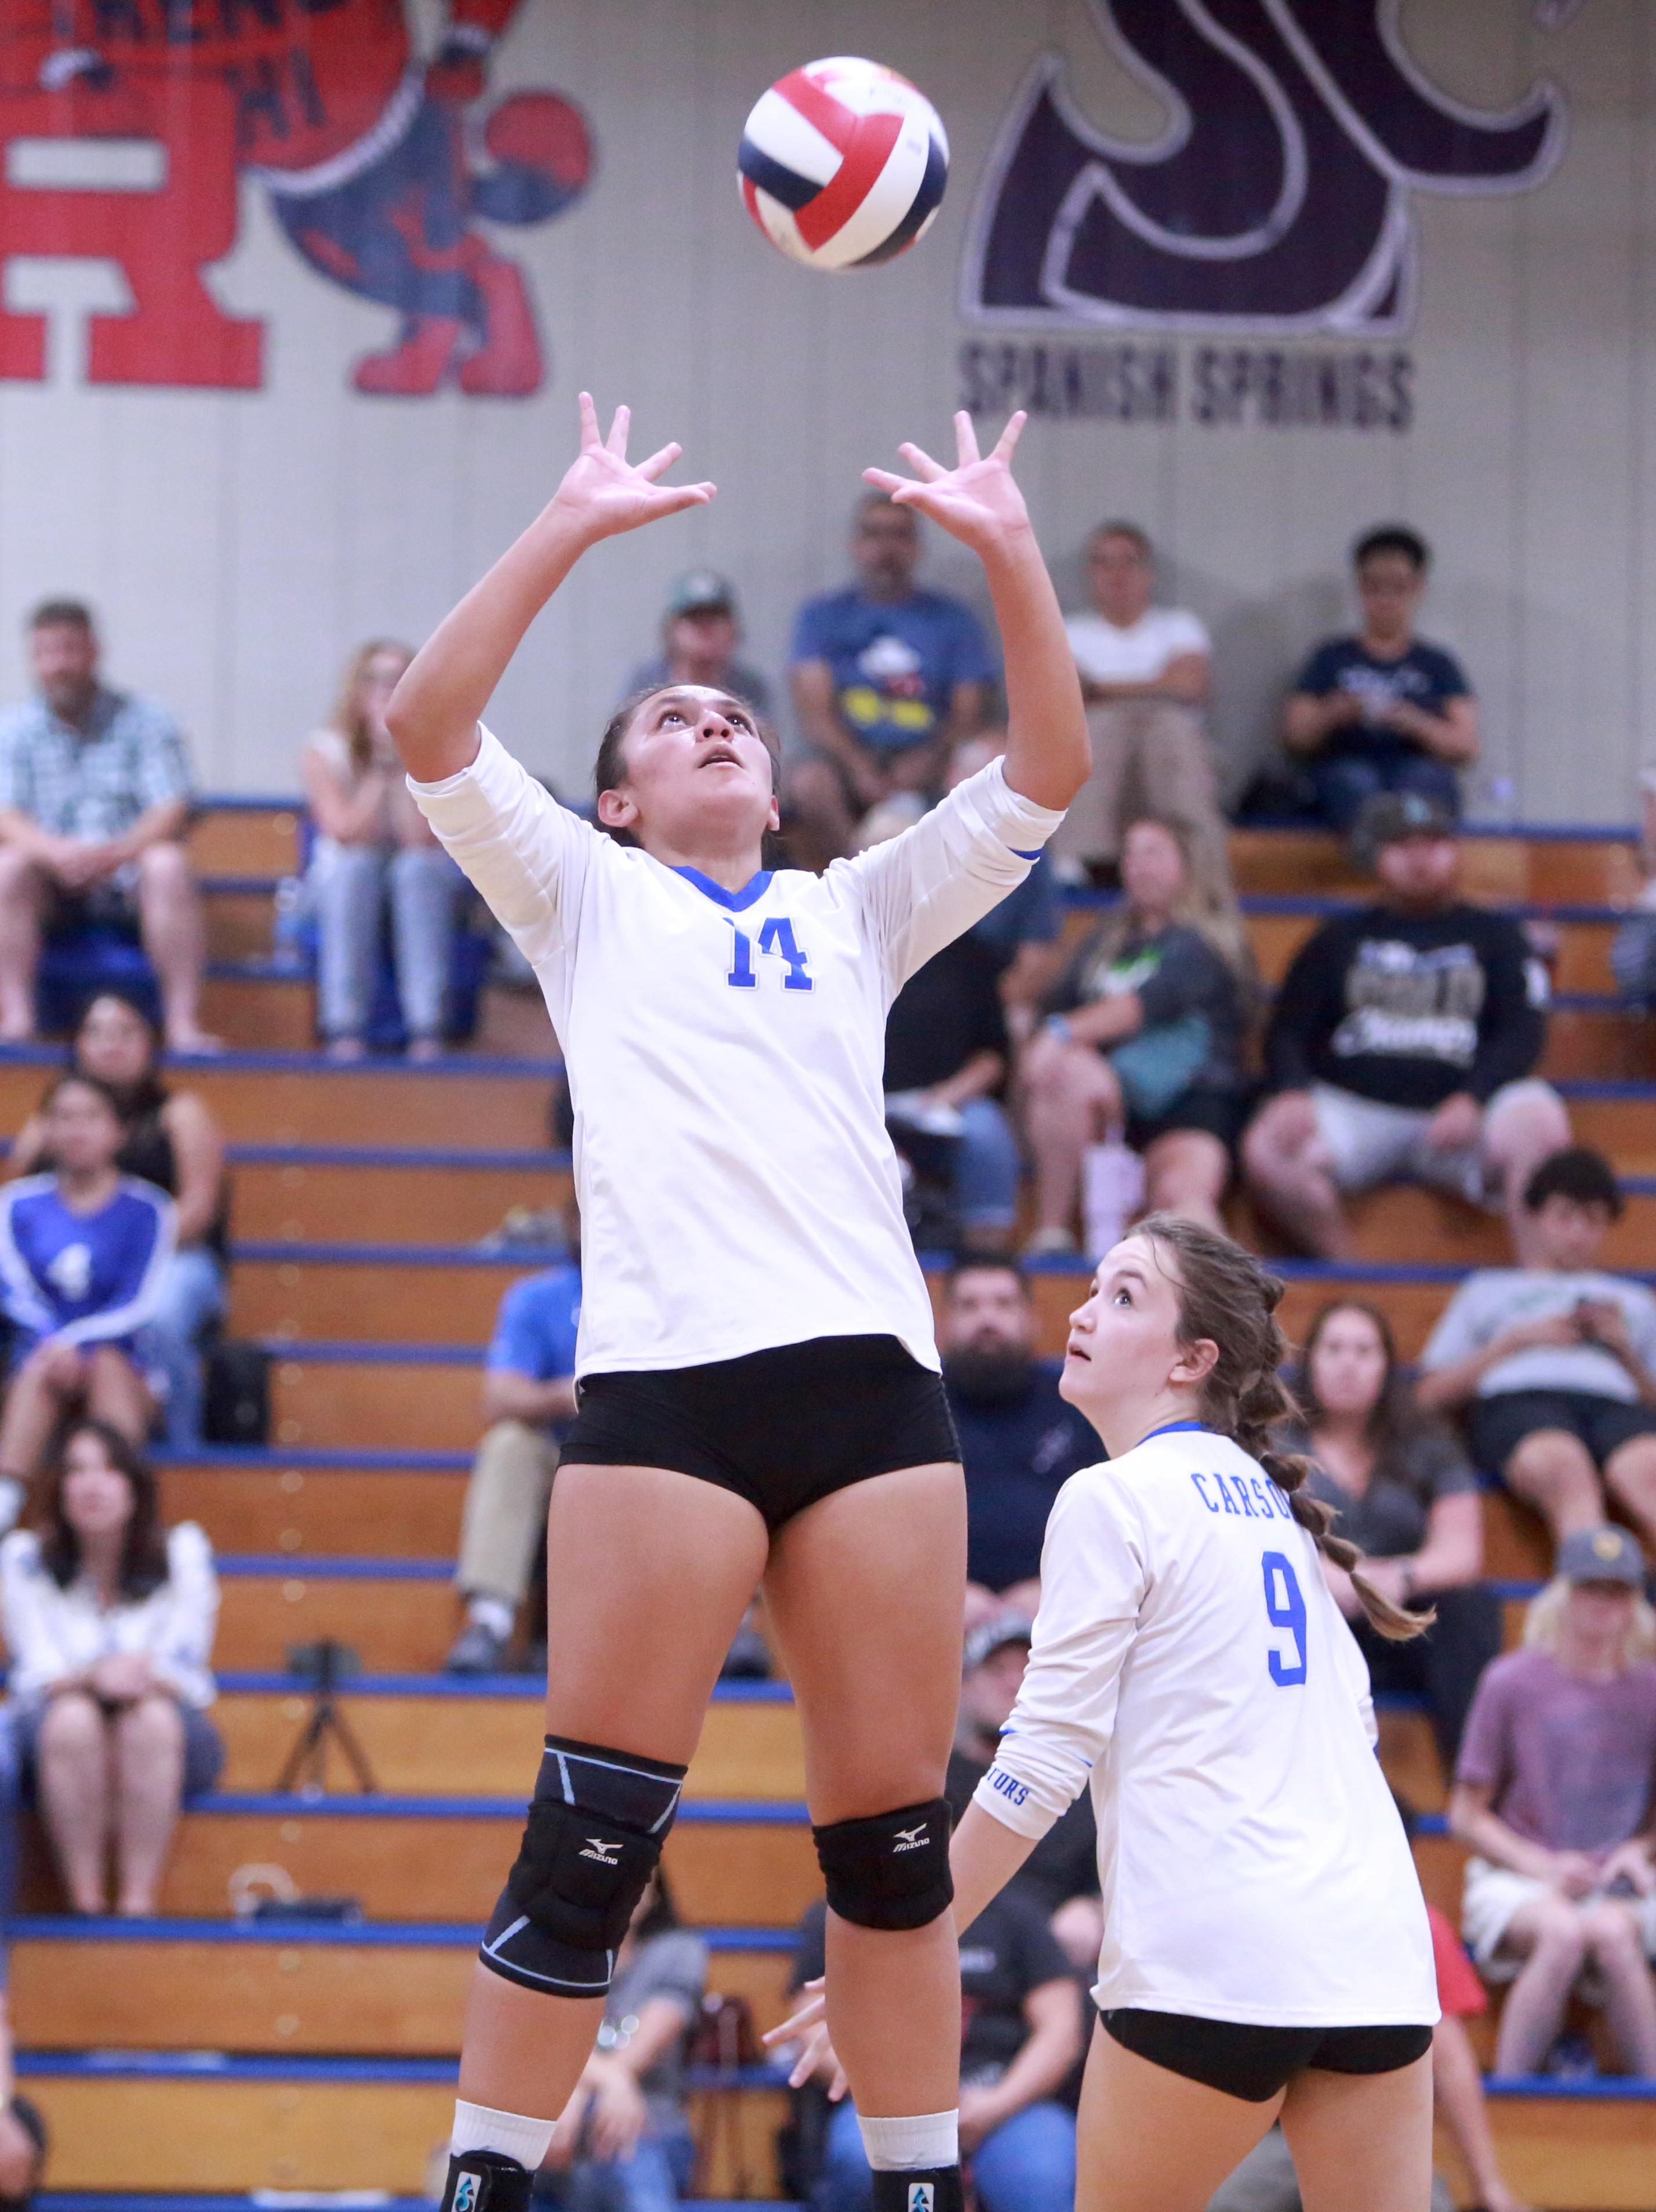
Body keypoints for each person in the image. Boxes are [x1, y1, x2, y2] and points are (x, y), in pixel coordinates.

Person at [387, 391, 1088, 2212]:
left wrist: (1007, 548)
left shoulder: (857, 906)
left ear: (775, 789)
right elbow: (424, 724)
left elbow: (1048, 765)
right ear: (618, 794)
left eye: (734, 720)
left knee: (891, 1848)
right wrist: (564, 525)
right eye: (673, 719)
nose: (715, 722)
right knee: (590, 1842)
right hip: (665, 1400)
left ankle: (917, 2184)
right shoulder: (583, 890)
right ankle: (487, 2181)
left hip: (870, 1394)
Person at [779, 1215, 1441, 2212]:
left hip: (1215, 1959)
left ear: (1192, 1359)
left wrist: (897, 1952)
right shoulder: (1276, 1512)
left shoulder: (1111, 1496)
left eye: (1124, 1296)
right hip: (1377, 1955)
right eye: (1091, 1288)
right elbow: (1355, 1727)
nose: (1084, 1313)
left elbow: (1039, 1764)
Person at [1242, 790, 1569, 1263]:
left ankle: (1536, 1283)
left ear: (1454, 851)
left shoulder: (1497, 936)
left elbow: (1523, 1031)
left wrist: (1475, 1095)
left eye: (1432, 843)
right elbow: (1288, 1029)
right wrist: (1292, 1088)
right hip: (1353, 1109)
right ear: (1377, 857)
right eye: (1402, 845)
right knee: (1268, 1147)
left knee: (1541, 1120)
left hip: (1461, 1111)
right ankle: (1350, 1274)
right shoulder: (1337, 938)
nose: (1419, 859)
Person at [1448, 1524, 1656, 2079]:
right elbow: (1466, 1812)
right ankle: (1513, 2101)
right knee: (1562, 1933)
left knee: (1612, 1934)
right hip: (1519, 1872)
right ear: (1564, 1591)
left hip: (1615, 1879)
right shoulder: (1511, 1681)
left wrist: (1638, 1849)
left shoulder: (1649, 1690)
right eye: (1591, 1587)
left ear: (1635, 1599)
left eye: (1617, 1590)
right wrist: (1543, 1865)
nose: (1603, 1603)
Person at [0, 1419, 221, 1915]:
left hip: (168, 1725)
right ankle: (85, 1900)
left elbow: (186, 1666)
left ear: (134, 1486)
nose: (93, 1484)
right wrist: (95, 1677)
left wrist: (128, 1679)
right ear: (59, 1488)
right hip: (57, 1729)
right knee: (73, 1719)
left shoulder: (182, 1551)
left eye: (109, 1469)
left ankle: (137, 1902)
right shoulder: (23, 1558)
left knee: (150, 1720)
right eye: (77, 1470)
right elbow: (35, 1672)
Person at [6, 991, 229, 1448]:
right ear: (78, 1045)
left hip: (172, 1256)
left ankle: (185, 1442)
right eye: (98, 1032)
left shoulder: (182, 1113)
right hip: (74, 1260)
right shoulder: (51, 1116)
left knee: (161, 1314)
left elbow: (198, 1210)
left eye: (126, 1032)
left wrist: (116, 1250)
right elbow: (17, 1209)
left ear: (151, 1044)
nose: (111, 1044)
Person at [1283, 1301, 1499, 1768]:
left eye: (1365, 1350)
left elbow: (1462, 1552)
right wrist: (1321, 1577)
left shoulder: (1425, 1439)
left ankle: (1476, 1786)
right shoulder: (1275, 1441)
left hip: (1399, 1612)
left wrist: (1395, 1576)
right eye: (1334, 1348)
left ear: (1387, 1365)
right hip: (1309, 1610)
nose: (1349, 1363)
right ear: (1310, 1360)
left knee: (1470, 1609)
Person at [1022, 815, 1253, 1252]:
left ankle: (1233, 1307)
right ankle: (1052, 1233)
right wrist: (1061, 1041)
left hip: (1189, 1103)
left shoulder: (1205, 942)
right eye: (1131, 854)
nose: (1139, 865)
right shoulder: (1104, 942)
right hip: (1103, 1106)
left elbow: (1146, 1003)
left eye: (1154, 853)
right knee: (1068, 1070)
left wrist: (1062, 1033)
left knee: (1182, 1198)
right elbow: (1054, 1004)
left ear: (1189, 865)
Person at [1204, 1906, 1530, 2212]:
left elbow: (1450, 2061)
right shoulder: (1249, 1916)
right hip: (1260, 2131)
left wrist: (1488, 2184)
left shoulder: (1408, 1917)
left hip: (1371, 2133)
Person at [1417, 1147, 1656, 1557]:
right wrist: (1515, 1342)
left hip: (1618, 1406)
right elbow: (1426, 1394)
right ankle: (1594, 1589)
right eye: (1565, 1215)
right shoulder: (1488, 1288)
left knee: (1643, 1469)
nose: (1578, 1231)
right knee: (1567, 1467)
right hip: (1521, 1403)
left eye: (1593, 1219)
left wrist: (1623, 1351)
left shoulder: (1633, 1300)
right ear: (1535, 1216)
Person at [0, 599, 216, 1052]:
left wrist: (119, 851)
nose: (59, 664)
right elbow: (7, 814)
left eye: (69, 649)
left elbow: (171, 806)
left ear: (95, 651)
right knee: (8, 869)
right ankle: (17, 1017)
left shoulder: (148, 718)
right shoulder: (13, 728)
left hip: (129, 872)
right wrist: (54, 852)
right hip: (49, 876)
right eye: (46, 652)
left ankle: (182, 1023)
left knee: (168, 863)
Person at [792, 1879, 1083, 2212]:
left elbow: (1061, 2031)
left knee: (1040, 2176)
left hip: (1008, 2101)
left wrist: (998, 2104)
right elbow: (811, 2030)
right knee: (859, 2163)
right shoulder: (840, 1914)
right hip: (887, 2103)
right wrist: (892, 2098)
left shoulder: (1017, 1913)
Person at [786, 492, 996, 862]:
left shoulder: (953, 619)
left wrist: (927, 760)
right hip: (846, 759)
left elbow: (969, 712)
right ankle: (859, 877)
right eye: (875, 534)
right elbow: (814, 713)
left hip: (934, 758)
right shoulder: (822, 616)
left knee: (983, 764)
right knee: (807, 782)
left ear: (917, 548)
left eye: (899, 535)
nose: (887, 548)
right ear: (856, 545)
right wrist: (858, 766)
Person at [0, 1074, 175, 1495]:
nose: (77, 1129)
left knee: (107, 1366)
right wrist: (54, 1343)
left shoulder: (149, 1208)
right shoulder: (15, 1204)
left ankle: (124, 1520)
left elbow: (139, 1300)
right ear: (45, 1129)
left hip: (125, 1365)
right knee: (40, 1371)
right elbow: (12, 1290)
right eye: (64, 1117)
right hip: (37, 1361)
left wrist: (75, 1343)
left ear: (120, 1131)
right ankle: (5, 1506)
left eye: (91, 1117)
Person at [301, 639, 467, 1062]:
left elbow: (422, 838)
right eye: (375, 680)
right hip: (343, 880)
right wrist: (380, 765)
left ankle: (427, 1025)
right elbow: (346, 832)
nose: (386, 690)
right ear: (355, 689)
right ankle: (343, 1024)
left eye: (399, 680)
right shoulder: (323, 750)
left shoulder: (441, 748)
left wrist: (405, 756)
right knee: (354, 869)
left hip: (415, 875)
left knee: (419, 870)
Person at [1053, 521, 1228, 902]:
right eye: (1104, 563)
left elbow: (1190, 686)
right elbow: (1064, 696)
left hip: (1165, 755)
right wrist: (1153, 687)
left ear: (1147, 571)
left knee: (1170, 728)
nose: (1117, 574)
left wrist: (1102, 689)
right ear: (1090, 573)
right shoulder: (1069, 631)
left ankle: (1196, 861)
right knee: (1101, 729)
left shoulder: (1179, 626)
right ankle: (1081, 862)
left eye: (1128, 562)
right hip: (1100, 753)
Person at [1283, 528, 1479, 833]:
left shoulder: (1439, 665)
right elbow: (1295, 738)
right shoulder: (1329, 657)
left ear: (1418, 589)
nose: (1385, 600)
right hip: (1347, 769)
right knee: (1352, 780)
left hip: (1416, 769)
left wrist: (1414, 722)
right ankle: (1386, 851)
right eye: (1374, 587)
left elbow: (1466, 746)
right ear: (1359, 588)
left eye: (1398, 588)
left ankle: (1401, 850)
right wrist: (1334, 713)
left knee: (1423, 781)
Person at [533, 1876, 707, 2212]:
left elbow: (642, 2049)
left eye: (640, 1877)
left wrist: (582, 2087)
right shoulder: (550, 1955)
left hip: (649, 2124)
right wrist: (599, 2085)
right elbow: (534, 2043)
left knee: (622, 2144)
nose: (625, 1887)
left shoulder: (678, 1952)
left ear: (655, 1894)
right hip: (557, 2125)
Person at [448, 1245, 582, 1676]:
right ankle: (490, 1619)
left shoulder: (664, 1291)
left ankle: (731, 1624)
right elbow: (500, 1396)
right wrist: (569, 1395)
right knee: (509, 1444)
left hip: (642, 1451)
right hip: (558, 1448)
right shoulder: (540, 1297)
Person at [939, 1263, 1098, 1619]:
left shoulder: (1078, 1408)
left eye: (1004, 1304)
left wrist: (1061, 1588)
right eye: (970, 1306)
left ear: (1032, 1320)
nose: (987, 1320)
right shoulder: (916, 1412)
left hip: (1064, 1611)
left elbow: (1111, 1525)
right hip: (936, 1615)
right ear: (944, 1323)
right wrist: (939, 1594)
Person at [946, 1614, 1101, 1968]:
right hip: (963, 1943)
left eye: (1030, 1669)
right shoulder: (935, 1780)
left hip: (1060, 1953)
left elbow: (1119, 1881)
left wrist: (1095, 1908)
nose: (1015, 1683)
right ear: (965, 1686)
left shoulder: (1085, 1784)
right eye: (998, 1670)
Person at [882, 889, 1020, 1258]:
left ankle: (984, 1262)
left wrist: (946, 1097)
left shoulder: (970, 956)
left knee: (987, 1133)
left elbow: (994, 1054)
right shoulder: (844, 947)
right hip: (859, 1102)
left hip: (945, 1102)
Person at [622, 571, 774, 724]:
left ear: (733, 628)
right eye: (694, 618)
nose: (705, 628)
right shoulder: (647, 682)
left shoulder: (749, 687)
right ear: (671, 629)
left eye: (715, 618)